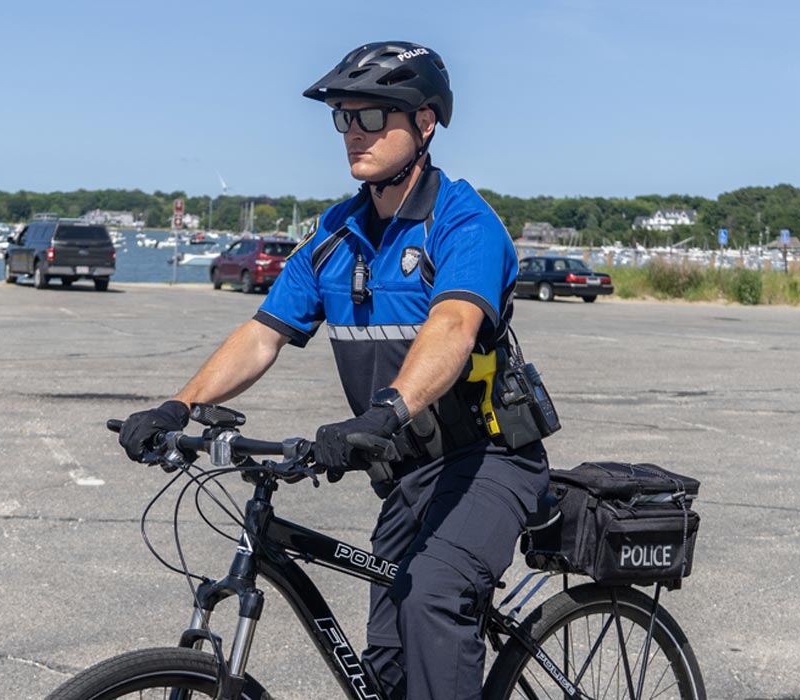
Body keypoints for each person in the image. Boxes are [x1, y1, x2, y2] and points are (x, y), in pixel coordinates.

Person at [119, 41, 549, 699]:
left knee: (430, 601)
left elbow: (453, 327)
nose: (354, 134)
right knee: (389, 660)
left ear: (425, 123)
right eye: (345, 118)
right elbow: (262, 334)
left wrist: (386, 410)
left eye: (373, 117)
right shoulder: (333, 236)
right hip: (406, 473)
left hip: (487, 460)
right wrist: (180, 406)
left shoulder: (462, 222)